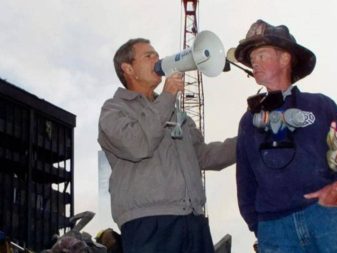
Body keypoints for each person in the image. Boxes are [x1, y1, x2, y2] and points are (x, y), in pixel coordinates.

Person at [235, 19, 337, 252]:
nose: (254, 63)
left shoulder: (319, 105)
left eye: (262, 55)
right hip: (274, 229)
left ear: (285, 58)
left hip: (325, 218)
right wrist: (258, 224)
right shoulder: (248, 121)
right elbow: (245, 180)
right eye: (252, 59)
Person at [97, 38, 237, 253]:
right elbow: (136, 146)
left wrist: (247, 140)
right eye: (148, 55)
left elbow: (202, 155)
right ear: (128, 68)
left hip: (193, 220)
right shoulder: (114, 109)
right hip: (149, 223)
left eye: (156, 54)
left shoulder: (174, 111)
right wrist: (167, 96)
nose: (157, 59)